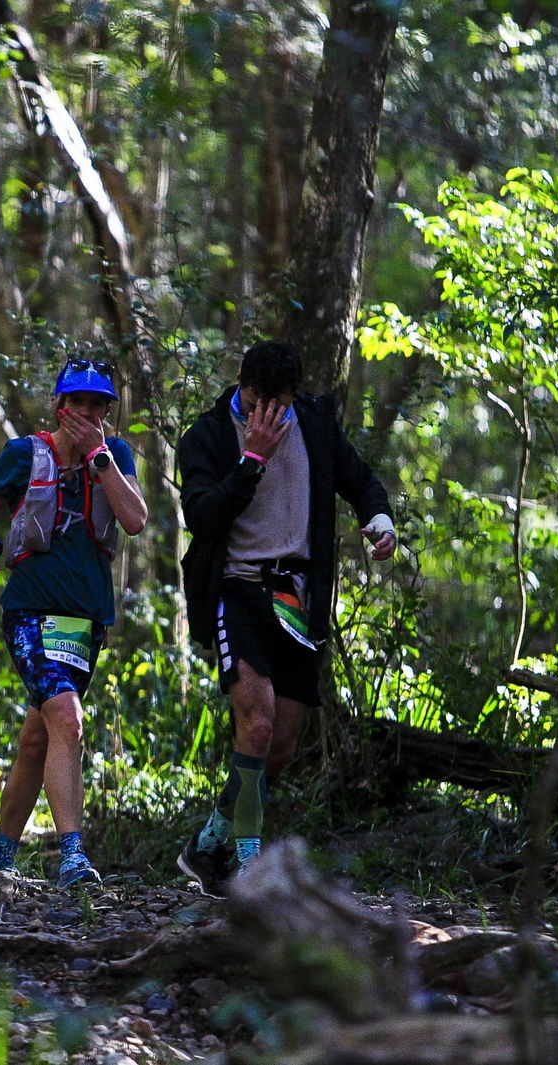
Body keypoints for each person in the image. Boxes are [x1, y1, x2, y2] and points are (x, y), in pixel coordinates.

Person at [175, 340, 396, 895]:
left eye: (278, 404)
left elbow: (361, 481)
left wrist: (379, 520)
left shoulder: (316, 424)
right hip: (238, 590)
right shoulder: (205, 436)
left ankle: (206, 847)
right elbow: (202, 516)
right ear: (241, 385)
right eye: (255, 402)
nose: (266, 415)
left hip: (296, 599)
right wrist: (251, 458)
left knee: (281, 744)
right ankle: (251, 865)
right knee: (258, 720)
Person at [0, 358, 148, 888]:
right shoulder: (24, 454)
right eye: (77, 403)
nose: (86, 413)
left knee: (39, 741)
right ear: (59, 406)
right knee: (68, 719)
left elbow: (134, 521)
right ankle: (72, 858)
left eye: (97, 405)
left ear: (107, 412)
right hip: (29, 614)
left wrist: (100, 458)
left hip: (86, 621)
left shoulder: (117, 456)